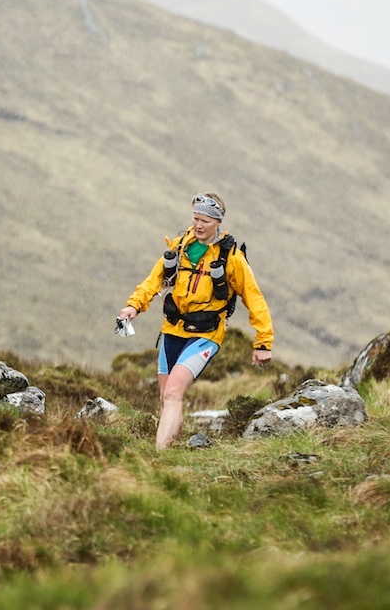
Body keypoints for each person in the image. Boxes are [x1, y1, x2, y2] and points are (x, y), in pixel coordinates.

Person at [117, 192, 274, 449]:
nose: (199, 225)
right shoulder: (179, 247)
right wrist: (133, 306)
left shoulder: (232, 257)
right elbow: (153, 281)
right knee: (166, 396)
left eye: (206, 221)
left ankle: (160, 456)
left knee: (173, 393)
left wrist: (263, 342)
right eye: (196, 218)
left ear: (218, 222)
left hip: (205, 334)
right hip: (172, 330)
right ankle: (174, 451)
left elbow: (254, 298)